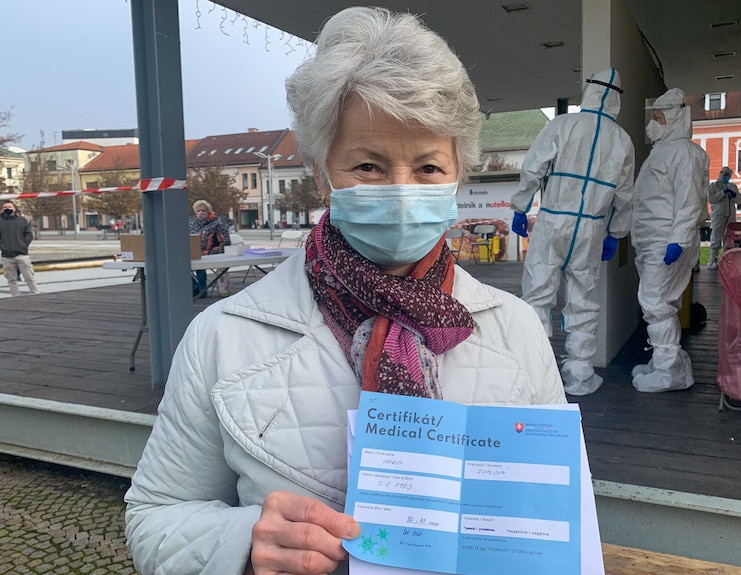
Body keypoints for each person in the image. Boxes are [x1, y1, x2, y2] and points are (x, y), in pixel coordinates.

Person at [124, 8, 565, 575]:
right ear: (319, 170)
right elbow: (154, 516)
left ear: (459, 172)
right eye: (369, 165)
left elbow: (548, 516)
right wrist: (241, 541)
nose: (402, 189)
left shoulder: (515, 328)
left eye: (428, 167)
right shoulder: (223, 337)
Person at [510, 68, 635, 396]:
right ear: (617, 100)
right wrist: (615, 233)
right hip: (591, 229)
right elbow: (625, 195)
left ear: (589, 93)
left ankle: (536, 371)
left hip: (553, 221)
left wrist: (521, 206)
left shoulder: (563, 125)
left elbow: (533, 166)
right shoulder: (622, 141)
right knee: (583, 298)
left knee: (538, 293)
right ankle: (580, 374)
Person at [631, 88, 709, 393]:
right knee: (661, 302)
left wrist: (677, 239)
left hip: (666, 242)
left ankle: (669, 371)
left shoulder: (684, 152)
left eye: (658, 117)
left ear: (675, 119)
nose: (653, 123)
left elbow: (690, 200)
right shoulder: (663, 151)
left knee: (654, 302)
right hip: (654, 242)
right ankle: (669, 362)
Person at [188, 199, 230, 297]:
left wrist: (214, 251)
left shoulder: (218, 224)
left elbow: (226, 241)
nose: (200, 213)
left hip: (212, 254)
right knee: (180, 266)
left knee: (199, 266)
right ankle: (195, 288)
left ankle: (202, 290)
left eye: (203, 211)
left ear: (208, 212)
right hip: (195, 254)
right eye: (198, 211)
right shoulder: (192, 225)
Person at [706, 166, 741, 270]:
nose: (726, 177)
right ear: (720, 174)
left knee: (729, 240)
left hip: (730, 217)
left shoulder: (733, 186)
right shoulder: (713, 186)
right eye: (725, 175)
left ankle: (727, 261)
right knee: (716, 239)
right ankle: (712, 261)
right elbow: (711, 199)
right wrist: (722, 193)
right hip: (718, 216)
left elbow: (740, 200)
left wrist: (733, 195)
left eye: (728, 175)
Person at [0, 200, 40, 296]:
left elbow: (28, 234)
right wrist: (3, 246)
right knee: (11, 279)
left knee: (29, 277)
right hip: (7, 255)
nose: (7, 209)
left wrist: (23, 245)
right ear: (2, 209)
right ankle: (15, 296)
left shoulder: (21, 220)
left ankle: (36, 294)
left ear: (14, 208)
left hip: (21, 254)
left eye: (9, 207)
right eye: (5, 207)